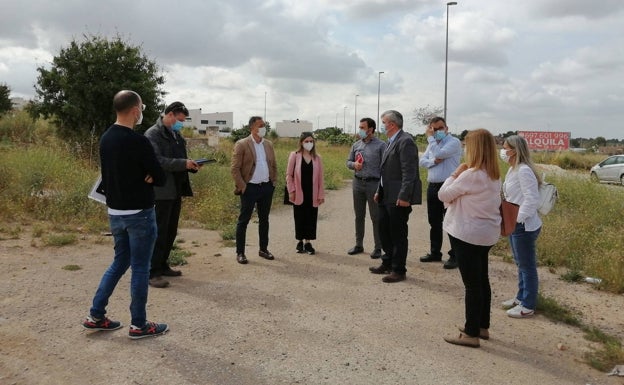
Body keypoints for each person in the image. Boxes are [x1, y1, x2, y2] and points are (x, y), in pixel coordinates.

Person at [82, 90, 169, 339]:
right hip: (140, 214)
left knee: (119, 262)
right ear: (134, 110)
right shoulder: (138, 141)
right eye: (141, 107)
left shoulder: (106, 138)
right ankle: (139, 324)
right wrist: (150, 175)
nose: (142, 111)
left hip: (115, 213)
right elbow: (160, 176)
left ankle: (96, 315)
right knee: (140, 268)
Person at [438, 128, 501, 348]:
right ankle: (482, 326)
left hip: (468, 234)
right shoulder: (492, 174)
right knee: (482, 280)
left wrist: (454, 174)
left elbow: (443, 195)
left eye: (467, 145)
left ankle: (471, 333)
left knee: (472, 285)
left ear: (474, 148)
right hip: (486, 234)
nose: (464, 149)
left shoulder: (471, 174)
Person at [144, 102, 201, 288]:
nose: (181, 124)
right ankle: (152, 272)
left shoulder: (175, 135)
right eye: (179, 120)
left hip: (176, 189)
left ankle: (163, 264)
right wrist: (183, 163)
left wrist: (192, 166)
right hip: (161, 191)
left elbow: (180, 159)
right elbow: (158, 161)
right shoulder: (153, 134)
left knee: (171, 231)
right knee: (159, 232)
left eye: (183, 121)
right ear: (169, 115)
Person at [369, 110, 421, 283]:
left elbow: (409, 172)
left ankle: (399, 269)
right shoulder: (390, 141)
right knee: (384, 230)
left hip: (398, 197)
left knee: (398, 234)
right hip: (386, 195)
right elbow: (385, 171)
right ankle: (388, 262)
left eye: (383, 122)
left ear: (391, 124)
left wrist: (405, 196)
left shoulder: (405, 141)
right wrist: (379, 190)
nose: (382, 126)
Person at [500, 135, 542, 318]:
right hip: (514, 223)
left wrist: (518, 219)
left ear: (515, 151)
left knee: (527, 266)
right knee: (520, 264)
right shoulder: (513, 169)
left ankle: (528, 304)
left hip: (523, 226)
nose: (503, 152)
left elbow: (532, 199)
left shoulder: (524, 171)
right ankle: (520, 297)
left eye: (506, 148)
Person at [231, 116, 278, 264]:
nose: (263, 128)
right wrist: (243, 187)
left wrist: (273, 182)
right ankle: (240, 253)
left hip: (266, 187)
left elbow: (273, 165)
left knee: (264, 220)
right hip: (249, 188)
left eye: (264, 125)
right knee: (243, 220)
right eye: (260, 125)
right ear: (252, 127)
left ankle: (263, 249)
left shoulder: (268, 144)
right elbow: (235, 169)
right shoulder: (242, 144)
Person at [419, 117, 462, 269]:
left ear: (447, 128)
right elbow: (422, 161)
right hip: (433, 186)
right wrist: (432, 162)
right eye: (434, 129)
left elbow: (439, 155)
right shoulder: (432, 144)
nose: (438, 131)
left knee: (451, 221)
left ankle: (455, 255)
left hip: (448, 187)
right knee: (434, 222)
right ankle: (435, 252)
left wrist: (431, 139)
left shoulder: (453, 142)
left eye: (440, 128)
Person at [345, 117, 386, 259]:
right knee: (359, 216)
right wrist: (353, 165)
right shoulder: (356, 145)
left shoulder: (381, 145)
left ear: (371, 129)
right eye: (360, 127)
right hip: (357, 183)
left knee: (376, 217)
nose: (360, 130)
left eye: (363, 128)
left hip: (373, 184)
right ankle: (358, 244)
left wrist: (381, 187)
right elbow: (348, 162)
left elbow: (385, 168)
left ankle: (378, 247)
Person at [286, 132, 325, 254]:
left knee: (311, 217)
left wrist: (320, 194)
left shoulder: (317, 158)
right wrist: (291, 190)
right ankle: (300, 241)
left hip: (312, 193)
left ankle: (308, 242)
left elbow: (320, 178)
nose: (309, 143)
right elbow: (289, 175)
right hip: (298, 192)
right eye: (306, 141)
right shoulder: (295, 155)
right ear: (301, 142)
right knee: (299, 217)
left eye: (311, 141)